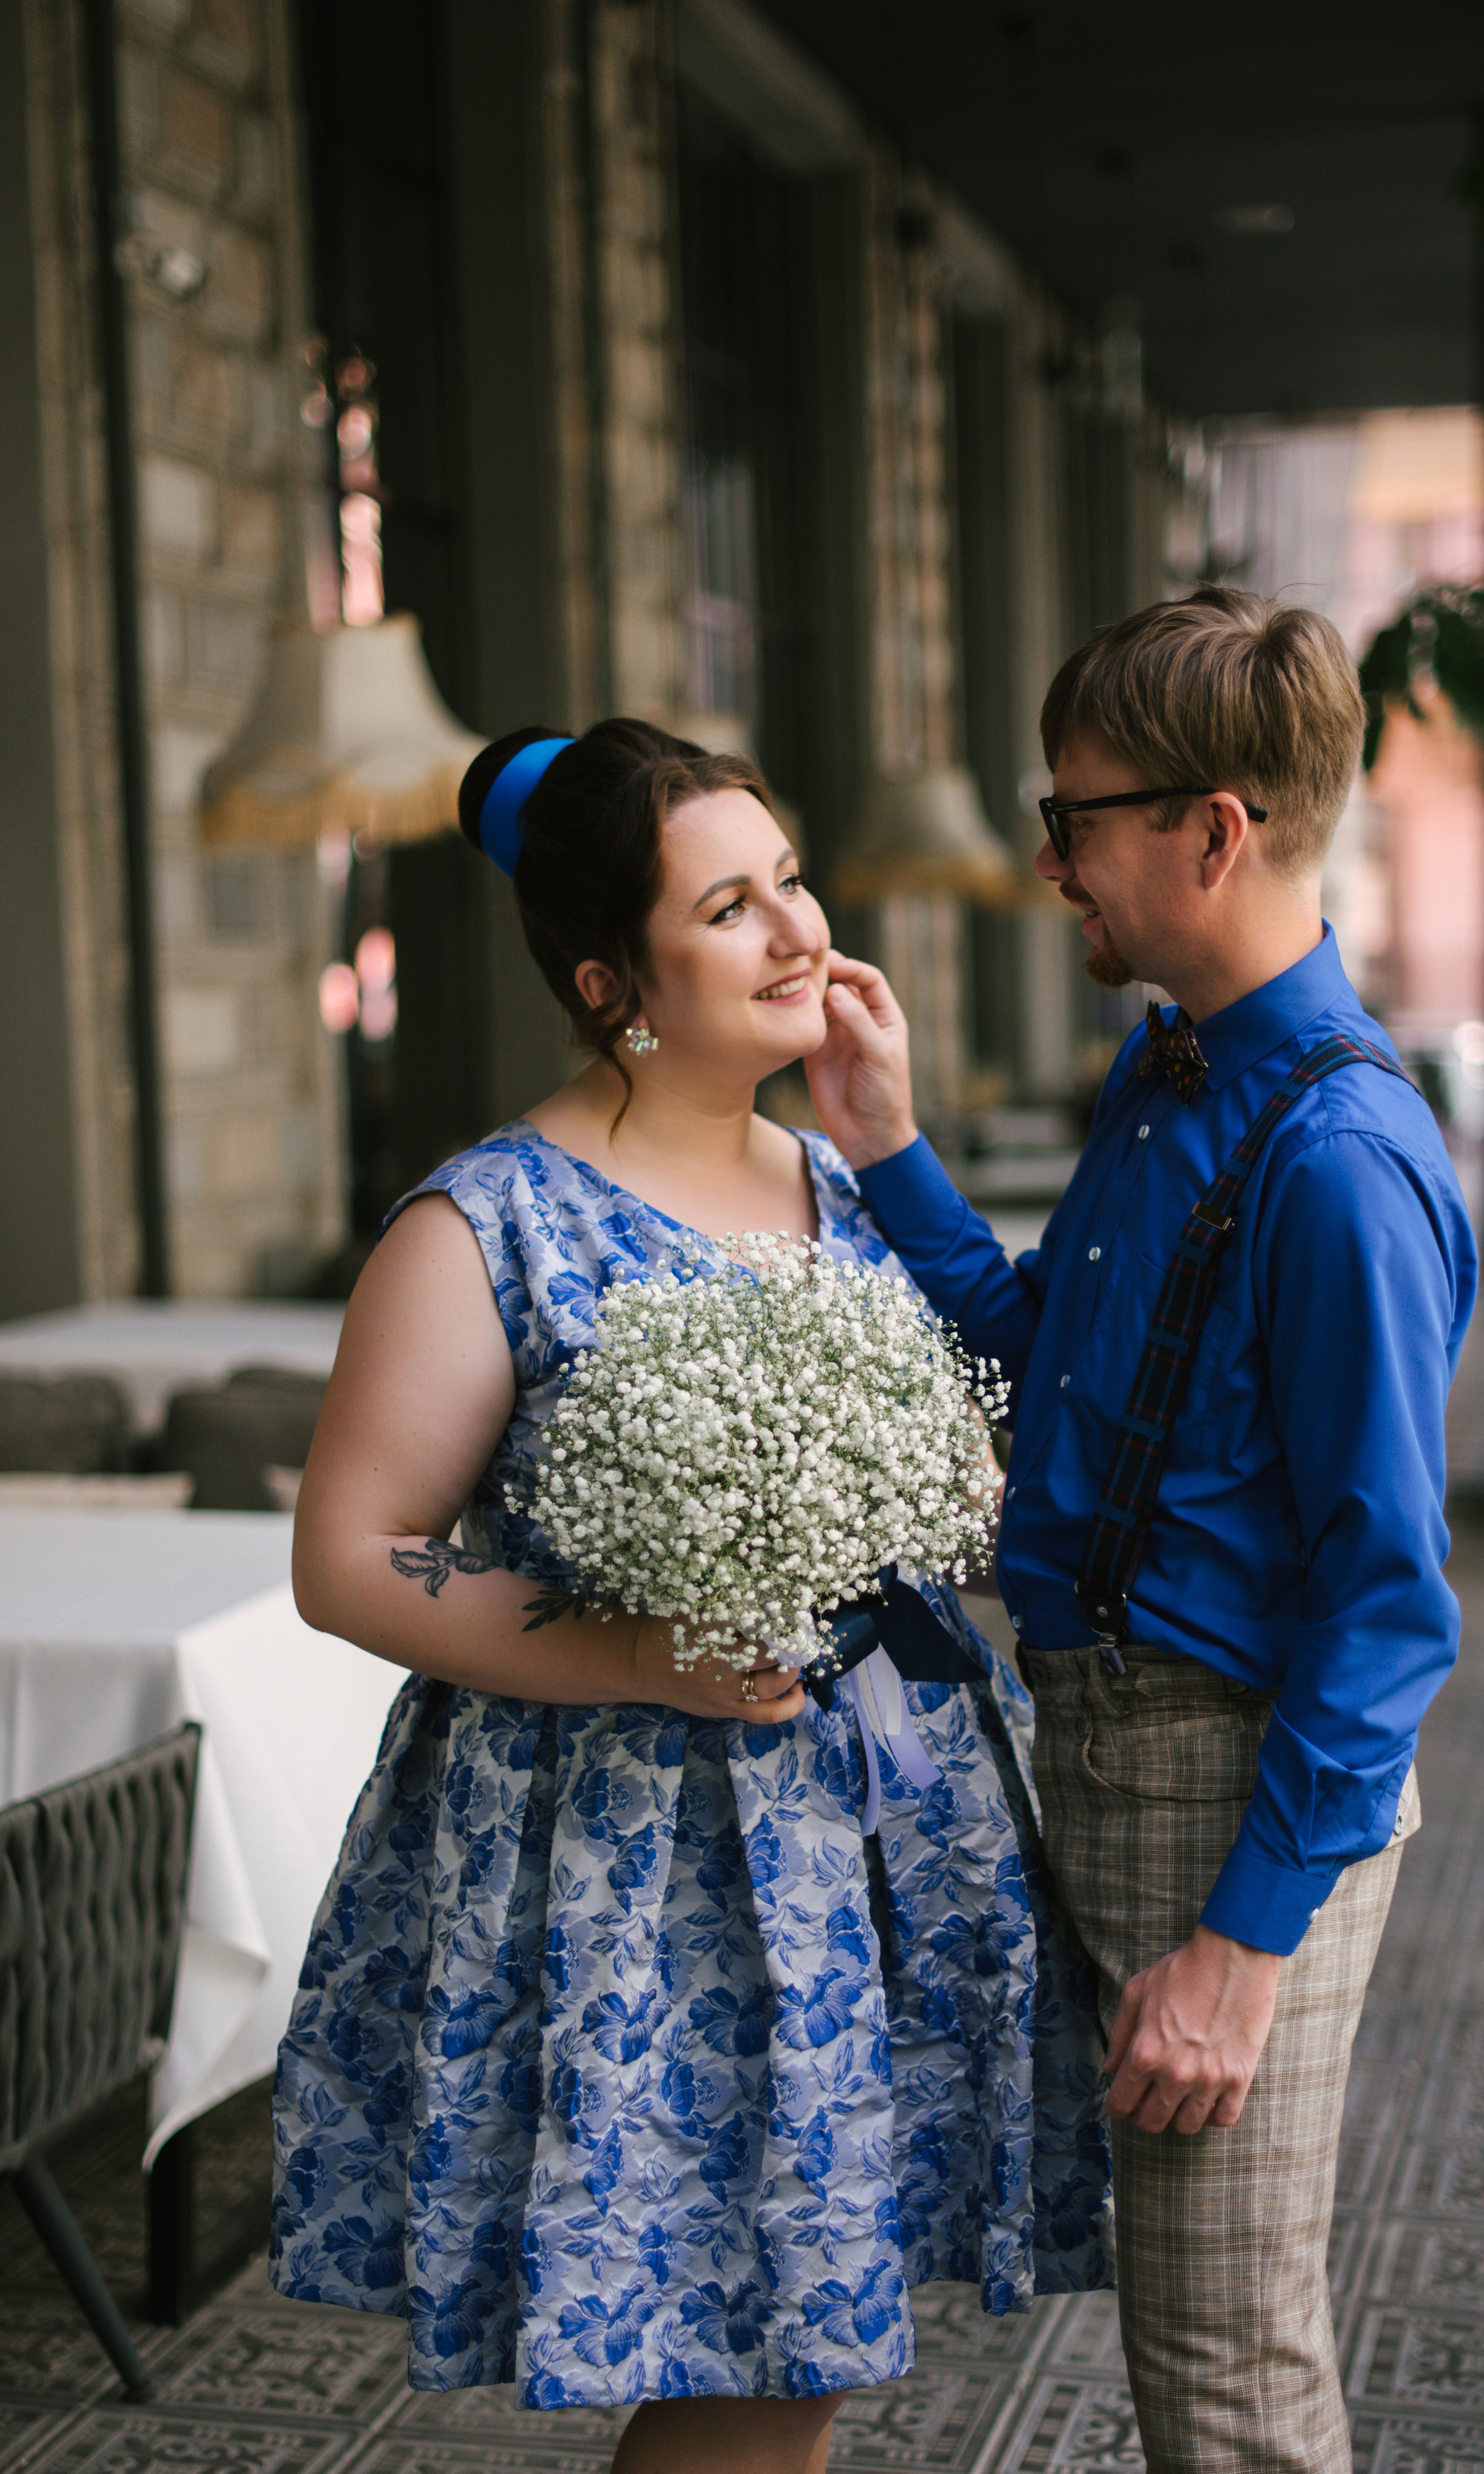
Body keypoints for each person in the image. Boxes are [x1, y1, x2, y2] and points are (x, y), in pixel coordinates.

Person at [269, 718, 1112, 2474]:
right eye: (733, 906)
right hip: (650, 1869)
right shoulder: (490, 1222)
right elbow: (352, 1555)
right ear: (612, 982)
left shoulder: (832, 1182)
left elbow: (976, 1454)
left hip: (870, 1825)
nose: (802, 932)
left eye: (791, 879)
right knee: (752, 2350)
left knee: (794, 2338)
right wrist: (633, 1648)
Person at [804, 588, 1478, 2473]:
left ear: (1216, 831)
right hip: (1108, 1748)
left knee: (1232, 2382)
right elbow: (1055, 1384)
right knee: (1201, 2343)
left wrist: (1240, 1946)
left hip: (1242, 1785)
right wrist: (888, 1147)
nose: (1048, 861)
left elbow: (1389, 1609)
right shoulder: (1166, 1063)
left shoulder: (1337, 1160)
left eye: (1077, 815)